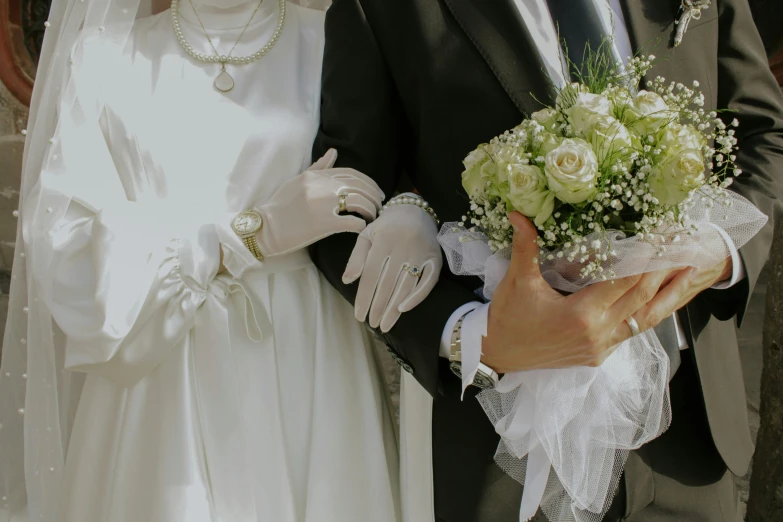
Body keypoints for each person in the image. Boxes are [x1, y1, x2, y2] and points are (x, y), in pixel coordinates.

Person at [311, 0, 783, 520]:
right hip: (509, 447)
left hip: (689, 428)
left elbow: (763, 130)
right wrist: (473, 335)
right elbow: (342, 208)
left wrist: (720, 249)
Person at [0, 0, 441, 520]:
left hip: (309, 349)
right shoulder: (104, 57)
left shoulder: (335, 39)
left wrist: (416, 210)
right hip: (162, 367)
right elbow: (67, 246)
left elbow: (407, 164)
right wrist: (248, 234)